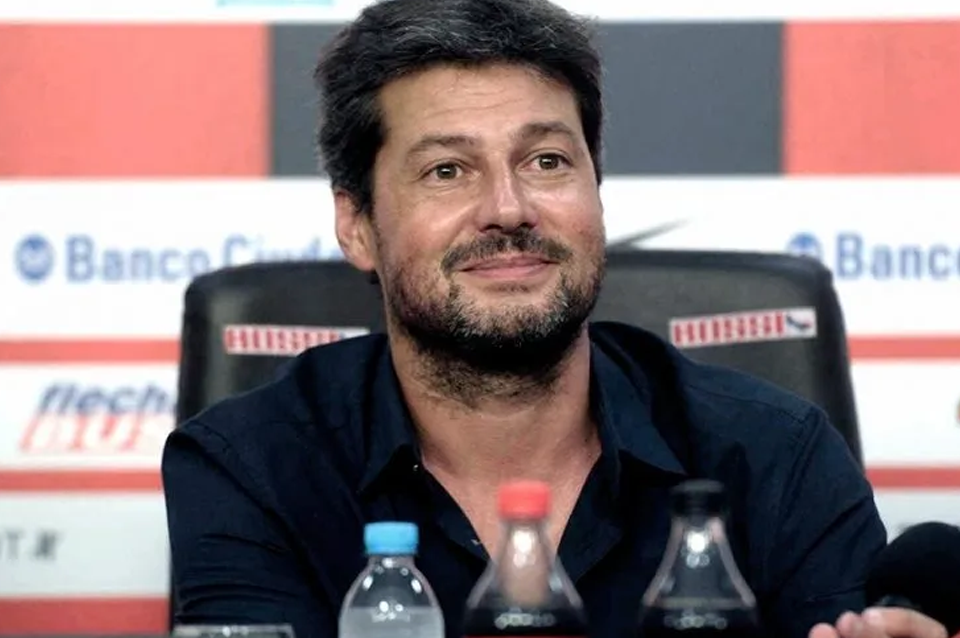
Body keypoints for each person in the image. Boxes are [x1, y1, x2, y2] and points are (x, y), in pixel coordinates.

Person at [161, 2, 947, 638]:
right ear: (358, 226)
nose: (509, 209)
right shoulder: (252, 468)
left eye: (547, 161)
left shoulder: (775, 454)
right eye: (446, 170)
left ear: (596, 192)